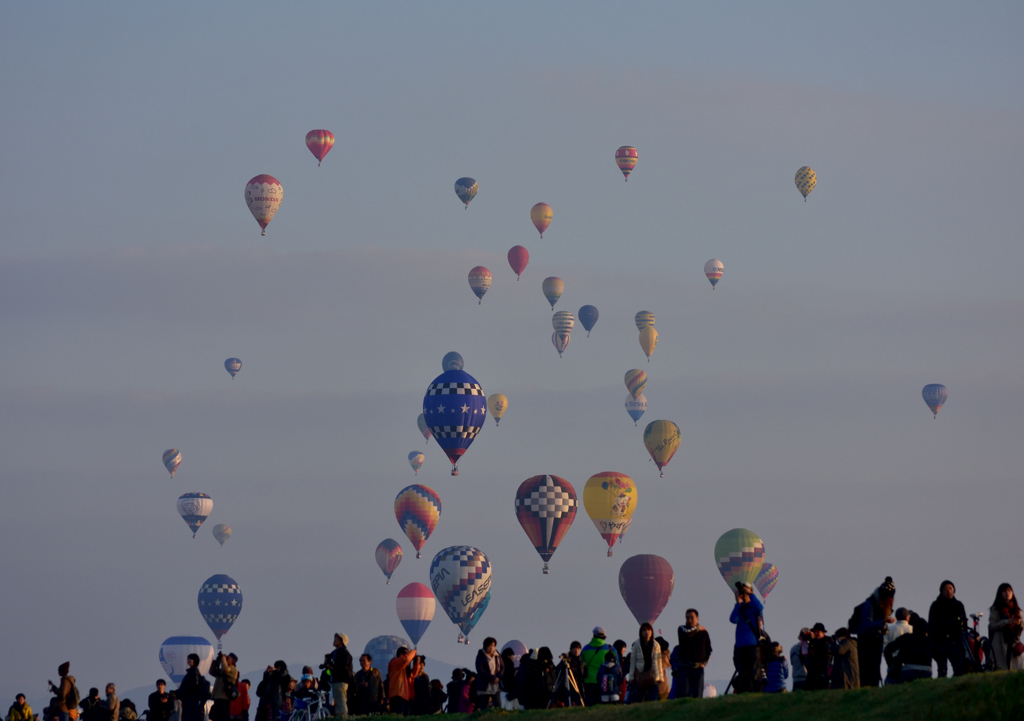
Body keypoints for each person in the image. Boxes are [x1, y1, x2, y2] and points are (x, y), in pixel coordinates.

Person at [853, 576, 896, 688]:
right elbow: (865, 626)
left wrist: (883, 628)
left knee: (875, 670)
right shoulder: (869, 605)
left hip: (876, 641)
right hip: (866, 643)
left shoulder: (881, 605)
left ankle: (873, 691)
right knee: (867, 671)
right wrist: (883, 622)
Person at [729, 582, 764, 694]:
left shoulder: (754, 607)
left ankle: (756, 692)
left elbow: (760, 608)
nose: (743, 593)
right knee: (742, 672)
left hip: (752, 644)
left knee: (755, 672)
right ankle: (745, 692)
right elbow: (733, 619)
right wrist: (738, 602)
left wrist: (750, 594)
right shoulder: (740, 608)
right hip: (740, 646)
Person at [928, 581, 968, 677]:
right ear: (941, 591)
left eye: (950, 588)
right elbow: (932, 623)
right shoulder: (936, 605)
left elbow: (964, 622)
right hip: (940, 641)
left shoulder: (958, 605)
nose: (948, 591)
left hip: (955, 639)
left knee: (958, 666)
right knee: (942, 667)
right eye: (946, 589)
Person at [671, 609, 713, 699]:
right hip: (684, 667)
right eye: (687, 618)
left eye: (692, 618)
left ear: (697, 619)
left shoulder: (704, 633)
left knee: (697, 693)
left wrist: (704, 663)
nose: (689, 620)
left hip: (698, 668)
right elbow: (688, 634)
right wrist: (698, 628)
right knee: (683, 693)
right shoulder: (682, 629)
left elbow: (708, 649)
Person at [884, 613, 933, 683]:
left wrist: (891, 664)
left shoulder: (906, 638)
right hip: (926, 672)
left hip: (908, 671)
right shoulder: (929, 641)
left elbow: (887, 650)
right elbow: (939, 655)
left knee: (890, 680)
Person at [988, 582, 1024, 671]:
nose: (1007, 593)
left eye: (1009, 590)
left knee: (1016, 669)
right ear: (1000, 593)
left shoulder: (1017, 610)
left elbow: (1021, 626)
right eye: (1004, 591)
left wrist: (1019, 623)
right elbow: (991, 626)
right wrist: (1006, 622)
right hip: (1000, 642)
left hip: (1014, 641)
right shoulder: (996, 609)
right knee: (1001, 667)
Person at [579, 627, 615, 707]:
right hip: (605, 681)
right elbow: (617, 666)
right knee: (603, 706)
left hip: (589, 681)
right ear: (604, 636)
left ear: (593, 635)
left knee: (589, 705)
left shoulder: (585, 649)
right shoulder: (610, 649)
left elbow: (580, 663)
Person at [629, 622, 663, 702]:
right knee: (639, 699)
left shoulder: (656, 645)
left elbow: (659, 662)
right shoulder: (636, 645)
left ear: (652, 632)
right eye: (644, 630)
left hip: (653, 674)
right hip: (640, 674)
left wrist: (660, 677)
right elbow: (633, 661)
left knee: (653, 699)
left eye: (649, 630)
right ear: (641, 632)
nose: (647, 632)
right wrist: (631, 677)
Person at [176, 655, 209, 721]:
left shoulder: (193, 672)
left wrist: (181, 691)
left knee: (188, 717)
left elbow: (193, 685)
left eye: (191, 659)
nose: (189, 660)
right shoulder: (192, 672)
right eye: (189, 659)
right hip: (190, 700)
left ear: (195, 661)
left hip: (190, 700)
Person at [328, 633, 353, 718]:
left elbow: (342, 667)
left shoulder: (343, 652)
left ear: (342, 641)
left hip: (340, 681)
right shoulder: (337, 652)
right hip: (338, 681)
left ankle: (343, 718)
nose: (334, 640)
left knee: (340, 704)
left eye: (337, 638)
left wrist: (332, 667)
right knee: (340, 702)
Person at [474, 638, 503, 710]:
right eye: (490, 646)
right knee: (484, 706)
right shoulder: (481, 656)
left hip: (496, 684)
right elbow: (480, 670)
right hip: (484, 685)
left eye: (493, 646)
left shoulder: (497, 655)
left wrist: (498, 677)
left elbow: (502, 667)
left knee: (497, 704)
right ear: (485, 646)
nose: (491, 648)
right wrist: (492, 678)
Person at [387, 646, 417, 715]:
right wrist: (413, 651)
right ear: (401, 655)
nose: (408, 655)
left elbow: (413, 675)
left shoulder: (404, 669)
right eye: (406, 653)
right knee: (398, 715)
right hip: (398, 694)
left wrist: (417, 664)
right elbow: (406, 659)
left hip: (405, 695)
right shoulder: (395, 662)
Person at [210, 652, 240, 721]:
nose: (226, 659)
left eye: (228, 658)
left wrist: (223, 658)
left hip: (224, 699)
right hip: (217, 698)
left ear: (232, 660)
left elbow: (226, 670)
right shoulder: (222, 671)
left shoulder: (233, 669)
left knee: (223, 718)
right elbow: (212, 671)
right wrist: (216, 661)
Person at [805, 623, 831, 690]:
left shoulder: (828, 641)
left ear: (823, 632)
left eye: (818, 632)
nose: (816, 633)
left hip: (824, 670)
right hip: (813, 672)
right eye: (815, 632)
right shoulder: (812, 642)